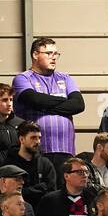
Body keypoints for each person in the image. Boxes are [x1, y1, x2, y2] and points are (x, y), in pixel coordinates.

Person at [12, 37, 84, 167]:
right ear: (35, 54)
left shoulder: (65, 78)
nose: (54, 57)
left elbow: (78, 105)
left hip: (65, 150)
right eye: (49, 53)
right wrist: (65, 102)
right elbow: (34, 99)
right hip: (36, 151)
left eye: (56, 54)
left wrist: (44, 105)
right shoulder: (23, 78)